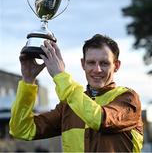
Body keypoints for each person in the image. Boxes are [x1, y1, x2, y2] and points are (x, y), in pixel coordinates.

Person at [9, 34, 143, 152]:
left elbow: (99, 119)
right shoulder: (69, 105)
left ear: (116, 66)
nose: (97, 69)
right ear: (83, 64)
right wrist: (28, 80)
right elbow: (21, 130)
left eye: (104, 63)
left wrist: (60, 75)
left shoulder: (128, 98)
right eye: (91, 63)